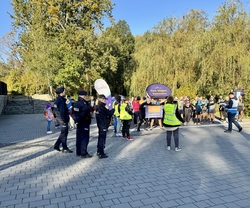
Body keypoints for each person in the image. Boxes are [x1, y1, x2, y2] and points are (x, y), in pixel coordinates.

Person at [53, 86, 73, 153]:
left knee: (63, 133)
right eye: (64, 91)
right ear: (61, 93)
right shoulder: (61, 101)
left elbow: (55, 111)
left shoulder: (58, 100)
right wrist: (65, 120)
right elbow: (62, 112)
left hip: (60, 119)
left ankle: (57, 145)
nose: (65, 92)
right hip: (62, 119)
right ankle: (64, 148)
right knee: (64, 134)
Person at [73, 90, 92, 158]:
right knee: (85, 138)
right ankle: (84, 153)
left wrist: (76, 120)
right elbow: (85, 112)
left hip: (79, 123)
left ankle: (78, 151)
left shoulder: (76, 103)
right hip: (84, 122)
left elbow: (74, 113)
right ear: (83, 96)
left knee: (79, 137)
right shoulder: (83, 104)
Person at [95, 94, 114, 159]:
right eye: (104, 99)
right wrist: (112, 109)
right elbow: (109, 113)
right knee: (102, 139)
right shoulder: (101, 107)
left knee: (101, 138)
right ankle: (101, 152)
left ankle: (99, 151)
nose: (105, 101)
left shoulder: (98, 106)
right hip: (102, 124)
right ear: (101, 99)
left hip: (100, 124)